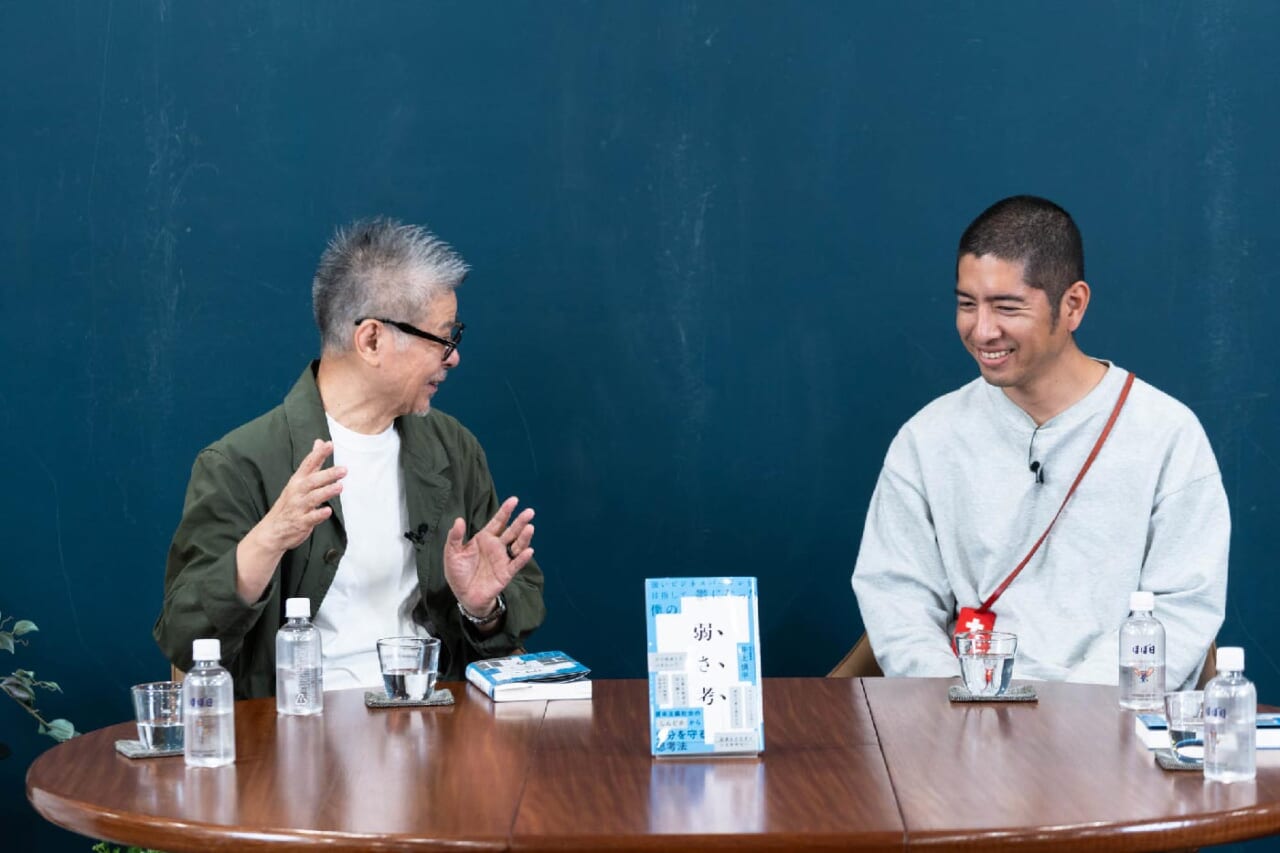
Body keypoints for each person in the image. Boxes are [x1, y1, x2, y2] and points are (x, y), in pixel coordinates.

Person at [155, 218, 545, 698]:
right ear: (372, 340)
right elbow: (185, 638)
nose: (453, 356)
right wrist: (266, 541)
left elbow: (513, 615)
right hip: (295, 729)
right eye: (444, 337)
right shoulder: (239, 464)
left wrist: (482, 610)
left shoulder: (452, 448)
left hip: (434, 721)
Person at [851, 195, 1228, 689]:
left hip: (1109, 719)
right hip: (959, 715)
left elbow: (1183, 608)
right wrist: (960, 702)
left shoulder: (1166, 434)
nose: (982, 330)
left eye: (1007, 307)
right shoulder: (927, 437)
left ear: (1073, 305)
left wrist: (1076, 711)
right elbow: (895, 597)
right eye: (966, 304)